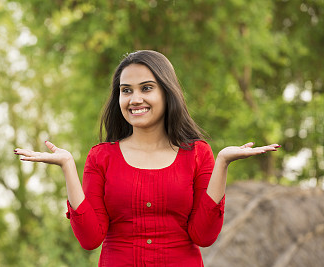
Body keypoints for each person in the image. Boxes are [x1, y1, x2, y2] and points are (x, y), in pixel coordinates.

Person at [14, 50, 280, 266]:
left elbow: (204, 235)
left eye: (146, 88)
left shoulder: (198, 154)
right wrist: (67, 166)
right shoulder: (101, 157)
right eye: (126, 90)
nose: (135, 99)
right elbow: (90, 238)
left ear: (166, 92)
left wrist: (222, 163)